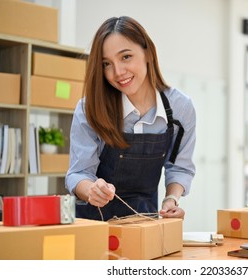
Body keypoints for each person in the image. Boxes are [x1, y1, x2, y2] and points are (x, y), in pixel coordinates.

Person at [65, 16, 196, 221]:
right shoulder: (88, 108)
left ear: (148, 53)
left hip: (143, 223)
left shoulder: (180, 108)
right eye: (106, 64)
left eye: (125, 57)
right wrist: (91, 188)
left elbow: (179, 167)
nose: (117, 72)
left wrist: (171, 198)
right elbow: (77, 173)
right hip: (91, 223)